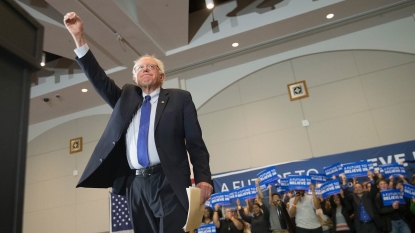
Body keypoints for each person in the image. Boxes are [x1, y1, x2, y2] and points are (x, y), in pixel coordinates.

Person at [63, 12, 213, 233]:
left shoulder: (179, 99)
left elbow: (195, 142)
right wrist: (79, 38)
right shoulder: (125, 100)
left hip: (169, 181)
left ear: (161, 76)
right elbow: (98, 79)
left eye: (151, 66)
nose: (145, 69)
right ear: (134, 78)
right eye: (140, 68)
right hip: (136, 184)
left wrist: (203, 178)